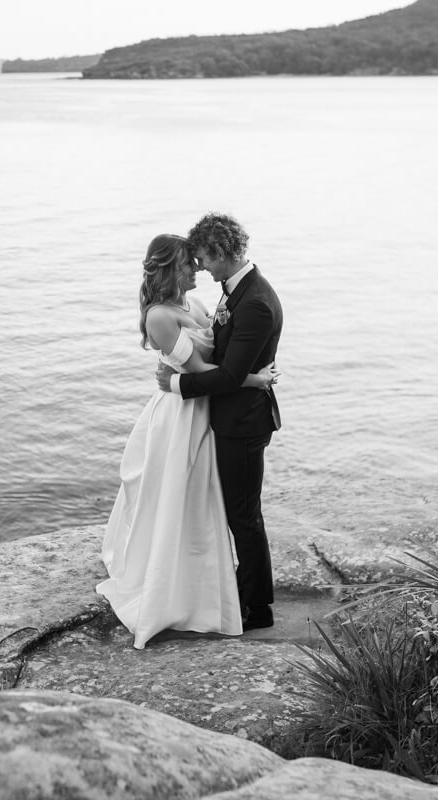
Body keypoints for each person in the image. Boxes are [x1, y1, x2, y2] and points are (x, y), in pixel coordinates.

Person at [98, 233, 278, 649]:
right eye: (187, 263)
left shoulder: (194, 304)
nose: (196, 268)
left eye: (198, 261)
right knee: (179, 500)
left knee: (203, 504)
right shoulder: (160, 317)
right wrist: (254, 378)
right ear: (167, 269)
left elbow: (221, 361)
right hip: (180, 415)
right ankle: (177, 587)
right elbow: (199, 369)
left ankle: (210, 587)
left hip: (205, 410)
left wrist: (245, 371)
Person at [156, 213, 283, 632]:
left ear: (222, 252)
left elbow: (228, 377)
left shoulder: (255, 302)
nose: (202, 268)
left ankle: (257, 608)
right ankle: (241, 593)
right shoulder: (238, 290)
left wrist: (176, 383)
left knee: (243, 516)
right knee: (236, 513)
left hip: (243, 424)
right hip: (232, 418)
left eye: (205, 259)